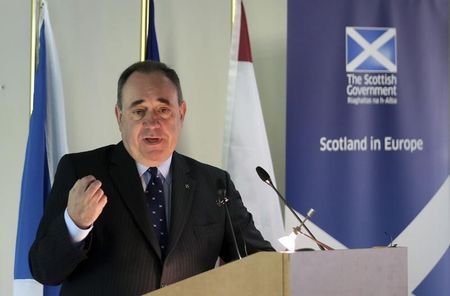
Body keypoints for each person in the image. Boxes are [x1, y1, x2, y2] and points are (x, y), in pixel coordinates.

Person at [29, 60, 274, 295]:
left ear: (182, 112)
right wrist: (76, 225)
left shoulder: (215, 184)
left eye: (163, 110)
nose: (152, 123)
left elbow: (261, 265)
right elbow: (45, 271)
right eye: (138, 111)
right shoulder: (81, 171)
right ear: (119, 116)